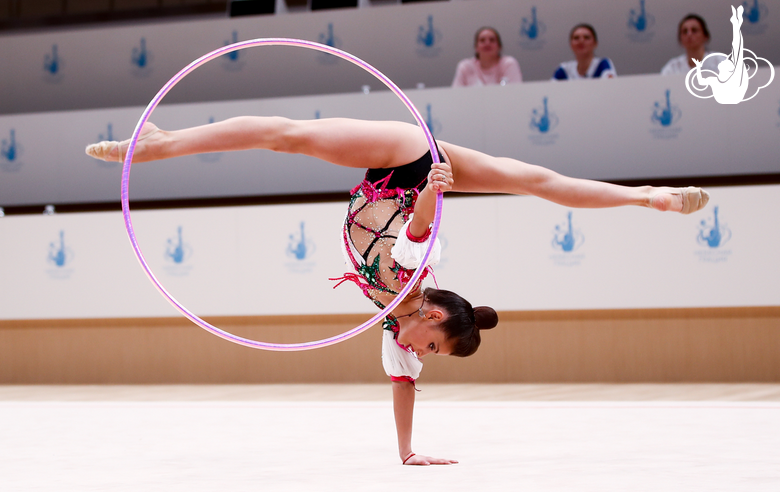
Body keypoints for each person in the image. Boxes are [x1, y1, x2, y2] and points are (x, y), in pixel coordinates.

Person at [86, 116, 709, 465]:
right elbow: (418, 222)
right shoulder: (416, 273)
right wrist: (434, 185)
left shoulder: (395, 329)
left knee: (538, 180)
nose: (422, 356)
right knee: (289, 135)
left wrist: (408, 454)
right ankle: (164, 144)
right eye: (434, 347)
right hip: (407, 161)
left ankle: (649, 196)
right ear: (434, 314)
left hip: (410, 178)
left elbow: (403, 388)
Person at [690, 6, 749, 104]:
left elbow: (737, 50)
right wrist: (698, 68)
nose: (689, 35)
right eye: (685, 31)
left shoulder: (721, 61)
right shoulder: (671, 68)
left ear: (705, 36)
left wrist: (736, 26)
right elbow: (701, 82)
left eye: (694, 30)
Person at [452, 27, 522, 87]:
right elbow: (455, 95)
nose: (487, 43)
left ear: (499, 46)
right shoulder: (466, 67)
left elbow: (515, 92)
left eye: (492, 40)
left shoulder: (508, 64)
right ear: (476, 47)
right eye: (482, 40)